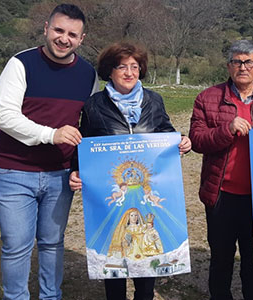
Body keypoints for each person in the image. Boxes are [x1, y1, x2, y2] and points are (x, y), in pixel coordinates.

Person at [0, 4, 97, 300]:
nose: (64, 39)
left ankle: (52, 296)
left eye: (72, 34)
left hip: (59, 173)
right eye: (59, 30)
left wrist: (79, 167)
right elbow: (4, 116)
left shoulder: (88, 73)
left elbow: (87, 125)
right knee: (16, 244)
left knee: (52, 242)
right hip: (13, 171)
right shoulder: (20, 63)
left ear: (82, 38)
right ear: (46, 28)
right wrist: (50, 134)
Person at [68, 41, 191, 300]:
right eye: (122, 66)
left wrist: (182, 142)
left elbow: (167, 134)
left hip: (148, 193)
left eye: (134, 67)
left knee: (144, 245)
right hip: (111, 197)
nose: (129, 72)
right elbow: (85, 145)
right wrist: (76, 171)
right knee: (118, 248)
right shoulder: (93, 105)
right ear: (109, 71)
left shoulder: (154, 101)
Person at [189, 39, 253, 300]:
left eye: (249, 62)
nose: (243, 67)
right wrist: (226, 130)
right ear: (229, 66)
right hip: (221, 194)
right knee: (221, 259)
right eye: (237, 62)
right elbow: (197, 140)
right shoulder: (208, 97)